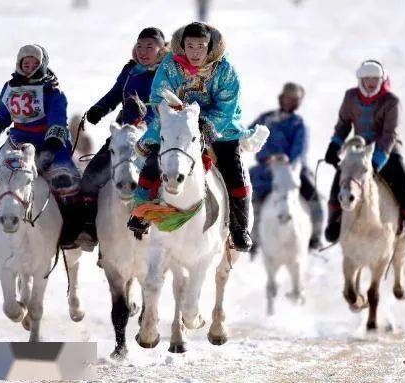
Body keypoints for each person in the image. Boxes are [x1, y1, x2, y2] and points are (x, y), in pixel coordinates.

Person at [127, 22, 255, 251]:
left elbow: (226, 107)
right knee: (156, 158)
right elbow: (159, 97)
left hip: (218, 127)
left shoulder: (225, 69)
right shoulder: (170, 66)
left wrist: (204, 123)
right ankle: (142, 212)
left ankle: (239, 227)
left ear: (209, 47)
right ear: (182, 46)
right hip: (178, 123)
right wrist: (177, 115)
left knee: (232, 168)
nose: (195, 52)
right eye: (190, 46)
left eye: (201, 46)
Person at [0, 44, 82, 254]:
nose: (29, 67)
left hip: (49, 138)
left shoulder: (52, 91)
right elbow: (2, 115)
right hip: (18, 138)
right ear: (19, 64)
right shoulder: (9, 88)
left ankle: (75, 228)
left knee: (66, 178)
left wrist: (51, 147)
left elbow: (57, 119)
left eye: (34, 63)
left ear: (42, 65)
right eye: (25, 63)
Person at [76, 27, 168, 249]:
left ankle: (167, 230)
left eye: (150, 47)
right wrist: (98, 109)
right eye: (140, 46)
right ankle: (89, 227)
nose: (143, 51)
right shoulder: (130, 70)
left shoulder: (167, 72)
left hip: (154, 136)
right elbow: (115, 94)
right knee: (90, 176)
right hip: (124, 134)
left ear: (161, 49)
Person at [323, 60, 405, 250]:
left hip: (387, 151)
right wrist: (334, 145)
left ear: (381, 80)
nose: (370, 83)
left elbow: (389, 134)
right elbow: (343, 124)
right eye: (366, 79)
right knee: (340, 180)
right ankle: (334, 222)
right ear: (360, 80)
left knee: (403, 185)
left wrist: (377, 161)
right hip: (358, 151)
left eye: (374, 79)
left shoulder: (391, 101)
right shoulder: (350, 96)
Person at [248, 82, 322, 253]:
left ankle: (315, 237)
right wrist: (266, 156)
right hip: (266, 169)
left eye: (293, 99)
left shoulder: (298, 123)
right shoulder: (265, 118)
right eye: (287, 98)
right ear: (282, 98)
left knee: (313, 196)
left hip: (292, 169)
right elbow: (251, 136)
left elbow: (300, 148)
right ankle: (249, 234)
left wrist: (289, 162)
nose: (289, 101)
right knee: (245, 193)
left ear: (298, 102)